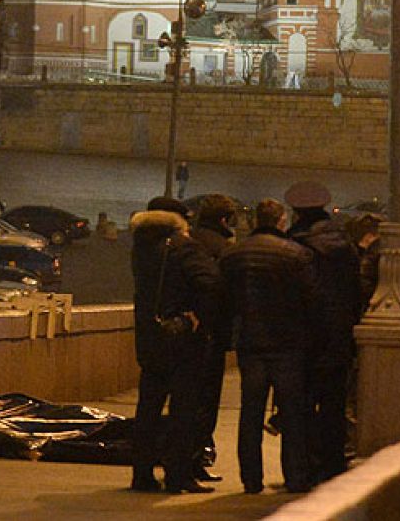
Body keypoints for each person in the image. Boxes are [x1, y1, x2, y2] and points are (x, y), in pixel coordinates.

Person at [220, 198, 318, 494]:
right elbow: (311, 300)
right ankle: (295, 477)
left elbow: (224, 299)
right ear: (281, 221)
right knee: (292, 414)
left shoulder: (234, 254)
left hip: (251, 343)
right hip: (288, 344)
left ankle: (251, 479)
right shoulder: (297, 255)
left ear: (254, 221)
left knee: (250, 413)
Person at [129, 196, 220, 494]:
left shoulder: (141, 248)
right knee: (183, 410)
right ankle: (177, 475)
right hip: (182, 340)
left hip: (149, 338)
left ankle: (141, 474)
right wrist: (198, 317)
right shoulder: (185, 247)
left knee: (148, 409)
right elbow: (210, 284)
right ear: (179, 221)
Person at [284, 179, 363, 483]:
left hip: (303, 336)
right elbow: (355, 292)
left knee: (300, 404)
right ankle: (331, 464)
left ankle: (303, 465)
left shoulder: (294, 244)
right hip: (338, 336)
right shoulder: (344, 244)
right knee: (333, 404)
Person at [187, 193, 238, 483]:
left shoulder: (187, 242)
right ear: (223, 220)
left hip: (184, 333)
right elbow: (224, 293)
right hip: (212, 334)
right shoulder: (223, 249)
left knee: (186, 399)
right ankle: (196, 459)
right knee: (206, 401)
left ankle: (184, 459)